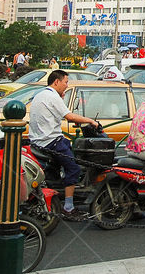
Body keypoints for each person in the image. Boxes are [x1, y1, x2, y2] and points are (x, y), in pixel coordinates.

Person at [30, 70, 99, 218]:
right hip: (51, 142)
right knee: (73, 168)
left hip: (37, 142)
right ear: (56, 82)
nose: (67, 86)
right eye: (65, 82)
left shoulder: (41, 94)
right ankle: (69, 207)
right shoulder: (52, 96)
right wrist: (90, 121)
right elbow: (69, 116)